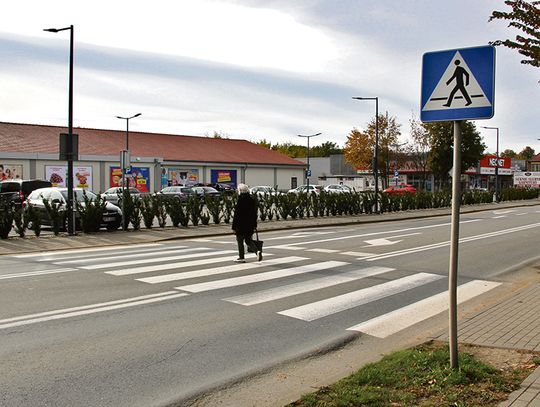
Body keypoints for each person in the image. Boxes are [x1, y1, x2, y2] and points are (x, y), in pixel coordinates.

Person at [232, 183, 262, 262]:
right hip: (249, 225)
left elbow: (237, 215)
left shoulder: (240, 200)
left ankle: (241, 257)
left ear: (240, 191)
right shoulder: (252, 200)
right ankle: (257, 251)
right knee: (248, 240)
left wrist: (233, 227)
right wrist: (254, 225)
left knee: (240, 241)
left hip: (240, 225)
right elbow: (254, 214)